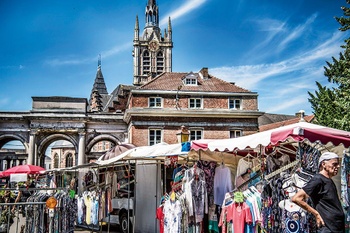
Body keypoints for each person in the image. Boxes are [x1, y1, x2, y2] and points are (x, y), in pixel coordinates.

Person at [292, 152, 345, 233]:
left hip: (336, 227)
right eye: (334, 164)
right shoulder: (318, 179)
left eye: (338, 164)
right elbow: (296, 198)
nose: (337, 166)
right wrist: (316, 214)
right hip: (328, 228)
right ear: (323, 164)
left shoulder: (328, 180)